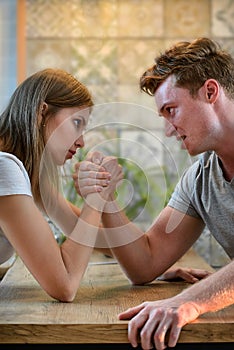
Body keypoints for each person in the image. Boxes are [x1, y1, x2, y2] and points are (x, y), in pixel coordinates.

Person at [74, 37, 234, 350]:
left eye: (171, 110)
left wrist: (187, 302)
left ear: (210, 92)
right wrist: (106, 200)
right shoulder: (200, 178)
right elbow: (145, 262)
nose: (169, 130)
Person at [0, 68, 123, 301]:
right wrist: (96, 197)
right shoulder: (4, 168)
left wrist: (152, 268)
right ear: (41, 113)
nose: (81, 141)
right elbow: (64, 286)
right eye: (77, 123)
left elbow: (93, 235)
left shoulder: (25, 172)